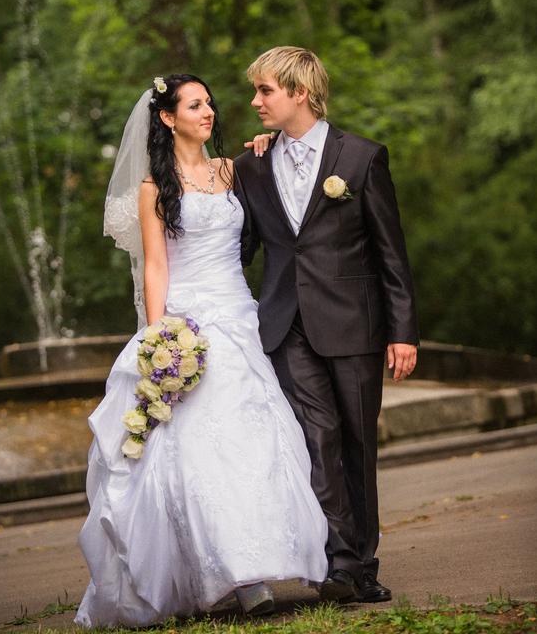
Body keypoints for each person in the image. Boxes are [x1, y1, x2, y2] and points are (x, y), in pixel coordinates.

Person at [75, 74, 328, 628]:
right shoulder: (153, 189)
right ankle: (238, 579)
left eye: (209, 103)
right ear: (168, 118)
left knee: (257, 439)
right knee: (198, 449)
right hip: (187, 323)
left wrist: (267, 143)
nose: (208, 111)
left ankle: (271, 557)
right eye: (195, 105)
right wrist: (159, 337)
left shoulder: (232, 171)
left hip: (240, 317)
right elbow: (156, 266)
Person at [234, 47, 419, 604]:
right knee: (318, 441)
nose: (255, 101)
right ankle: (338, 563)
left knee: (358, 444)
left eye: (265, 90)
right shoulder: (251, 166)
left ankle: (364, 564)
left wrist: (403, 330)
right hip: (285, 324)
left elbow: (390, 252)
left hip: (355, 324)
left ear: (300, 93)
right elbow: (240, 249)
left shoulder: (362, 158)